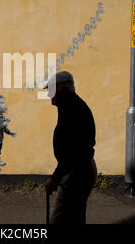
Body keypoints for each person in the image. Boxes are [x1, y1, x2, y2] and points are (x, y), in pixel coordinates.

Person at [43, 71, 97, 224]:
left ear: (61, 88)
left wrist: (55, 178)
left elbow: (73, 151)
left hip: (77, 171)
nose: (49, 95)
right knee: (74, 219)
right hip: (79, 169)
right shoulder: (69, 105)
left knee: (60, 220)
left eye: (51, 90)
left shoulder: (72, 109)